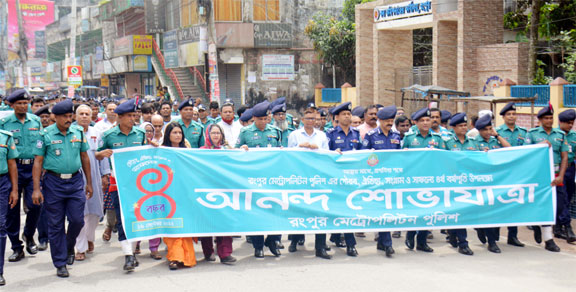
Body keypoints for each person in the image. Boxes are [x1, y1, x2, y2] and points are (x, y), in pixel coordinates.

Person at [31, 99, 93, 278]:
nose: (68, 119)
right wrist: (36, 188)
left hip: (75, 181)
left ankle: (68, 245)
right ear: (55, 117)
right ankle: (60, 262)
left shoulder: (78, 132)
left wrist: (89, 182)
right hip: (53, 183)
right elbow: (38, 162)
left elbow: (85, 157)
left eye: (69, 116)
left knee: (77, 220)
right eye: (64, 116)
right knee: (56, 224)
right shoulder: (45, 135)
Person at [96, 99, 148, 271]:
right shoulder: (108, 136)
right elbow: (97, 155)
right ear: (119, 117)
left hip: (138, 184)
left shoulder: (140, 134)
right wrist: (101, 154)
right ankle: (128, 255)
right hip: (117, 184)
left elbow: (146, 154)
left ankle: (132, 252)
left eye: (134, 115)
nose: (133, 118)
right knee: (122, 218)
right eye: (129, 116)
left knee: (136, 216)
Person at [0, 89, 43, 262]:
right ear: (12, 105)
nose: (23, 106)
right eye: (19, 103)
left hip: (33, 167)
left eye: (26, 103)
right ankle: (16, 247)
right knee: (12, 209)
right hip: (13, 168)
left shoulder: (36, 121)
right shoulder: (4, 123)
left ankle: (29, 234)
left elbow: (41, 145)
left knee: (36, 204)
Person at [236, 101, 283, 258]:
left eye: (266, 118)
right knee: (256, 211)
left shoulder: (275, 131)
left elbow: (281, 152)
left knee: (275, 209)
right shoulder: (245, 132)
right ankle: (258, 245)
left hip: (272, 177)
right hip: (253, 177)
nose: (264, 121)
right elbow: (236, 152)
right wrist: (242, 150)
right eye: (260, 119)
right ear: (254, 118)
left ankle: (273, 240)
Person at [286, 109, 332, 259]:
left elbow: (327, 154)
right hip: (300, 175)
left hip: (317, 177)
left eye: (313, 119)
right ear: (302, 119)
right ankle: (294, 240)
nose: (311, 121)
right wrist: (300, 147)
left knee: (320, 210)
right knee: (298, 209)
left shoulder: (322, 135)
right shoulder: (295, 135)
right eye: (308, 118)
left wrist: (317, 149)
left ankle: (320, 247)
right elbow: (288, 154)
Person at [402, 107, 446, 253]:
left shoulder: (437, 139)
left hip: (431, 179)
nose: (426, 123)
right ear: (416, 122)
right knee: (414, 208)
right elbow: (401, 158)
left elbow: (444, 158)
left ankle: (422, 240)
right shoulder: (409, 138)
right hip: (413, 179)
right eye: (422, 120)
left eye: (428, 120)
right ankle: (410, 234)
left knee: (427, 210)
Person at [524, 105, 567, 253]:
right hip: (539, 175)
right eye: (546, 118)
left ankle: (540, 225)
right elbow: (525, 153)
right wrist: (539, 146)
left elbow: (564, 156)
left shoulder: (560, 134)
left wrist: (561, 175)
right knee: (543, 205)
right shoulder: (533, 134)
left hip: (555, 175)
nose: (549, 120)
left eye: (551, 118)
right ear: (540, 120)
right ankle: (549, 239)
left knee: (559, 206)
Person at [361, 105, 400, 257]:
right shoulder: (371, 136)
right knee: (382, 210)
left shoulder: (396, 136)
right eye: (387, 120)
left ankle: (383, 242)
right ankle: (387, 244)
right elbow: (363, 157)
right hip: (376, 179)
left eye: (392, 120)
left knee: (387, 211)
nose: (390, 123)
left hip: (391, 179)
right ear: (379, 120)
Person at [73, 105, 110, 261]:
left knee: (94, 212)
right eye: (81, 114)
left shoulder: (97, 133)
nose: (84, 116)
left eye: (87, 114)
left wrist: (105, 174)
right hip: (76, 177)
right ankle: (80, 247)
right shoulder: (71, 133)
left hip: (94, 176)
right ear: (76, 116)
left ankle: (89, 238)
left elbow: (103, 154)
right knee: (78, 213)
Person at [326, 101, 361, 257]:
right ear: (337, 117)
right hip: (336, 177)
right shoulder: (331, 134)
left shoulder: (356, 134)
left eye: (349, 114)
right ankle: (336, 235)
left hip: (352, 178)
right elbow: (325, 154)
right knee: (336, 208)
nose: (347, 116)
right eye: (344, 114)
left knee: (348, 209)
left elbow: (362, 153)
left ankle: (350, 244)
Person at [198, 124, 237, 264]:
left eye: (218, 133)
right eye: (213, 133)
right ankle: (208, 252)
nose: (216, 135)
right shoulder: (201, 152)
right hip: (207, 190)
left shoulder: (227, 150)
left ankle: (225, 253)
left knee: (225, 222)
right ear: (207, 135)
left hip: (224, 190)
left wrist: (244, 150)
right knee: (207, 222)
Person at [473, 114, 511, 253]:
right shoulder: (474, 142)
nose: (489, 132)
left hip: (496, 181)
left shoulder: (495, 140)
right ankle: (491, 240)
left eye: (490, 129)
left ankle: (489, 235)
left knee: (495, 210)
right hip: (481, 182)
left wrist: (497, 135)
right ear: (479, 130)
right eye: (486, 130)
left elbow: (509, 149)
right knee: (486, 210)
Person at [162, 122, 197, 270]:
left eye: (179, 133)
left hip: (184, 192)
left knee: (183, 223)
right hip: (167, 191)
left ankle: (186, 257)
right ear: (168, 135)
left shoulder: (187, 152)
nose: (177, 135)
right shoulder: (161, 151)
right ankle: (175, 257)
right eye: (174, 132)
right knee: (172, 224)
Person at [495, 102, 527, 247]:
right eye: (509, 114)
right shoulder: (497, 132)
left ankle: (512, 235)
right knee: (498, 202)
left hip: (518, 172)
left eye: (514, 114)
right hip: (502, 173)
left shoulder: (523, 132)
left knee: (514, 203)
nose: (512, 116)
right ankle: (494, 232)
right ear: (503, 117)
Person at [445, 113, 476, 256]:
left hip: (467, 182)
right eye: (461, 126)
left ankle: (460, 240)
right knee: (455, 210)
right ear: (453, 127)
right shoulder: (447, 142)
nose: (464, 128)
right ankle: (457, 238)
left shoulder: (472, 142)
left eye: (465, 125)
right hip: (452, 182)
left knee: (462, 212)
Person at [0, 126, 20, 285]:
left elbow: (12, 163)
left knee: (1, 225)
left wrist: (14, 189)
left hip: (2, 183)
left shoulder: (5, 137)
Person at [557, 109, 576, 243]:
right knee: (562, 199)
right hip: (558, 170)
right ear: (560, 122)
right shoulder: (555, 135)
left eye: (572, 123)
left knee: (567, 199)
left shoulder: (574, 136)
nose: (570, 125)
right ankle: (567, 226)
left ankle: (557, 228)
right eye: (568, 123)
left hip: (571, 170)